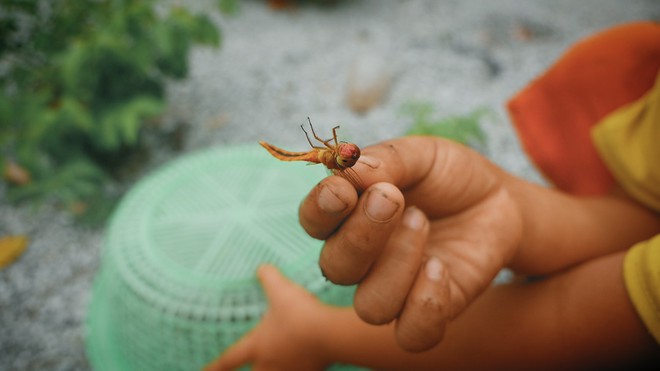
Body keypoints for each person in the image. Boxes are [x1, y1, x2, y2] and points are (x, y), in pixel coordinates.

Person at [206, 21, 660, 370]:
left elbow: (574, 326)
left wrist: (320, 333)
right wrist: (510, 212)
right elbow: (643, 218)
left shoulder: (337, 154)